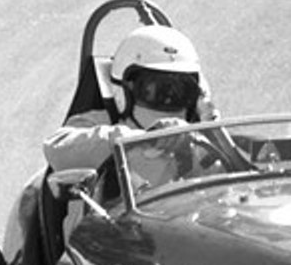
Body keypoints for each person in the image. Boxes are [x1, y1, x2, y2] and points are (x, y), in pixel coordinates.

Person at [43, 24, 218, 172]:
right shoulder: (103, 123)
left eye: (181, 89)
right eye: (154, 88)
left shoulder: (200, 138)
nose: (168, 97)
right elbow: (55, 148)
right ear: (125, 88)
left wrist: (212, 128)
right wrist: (135, 140)